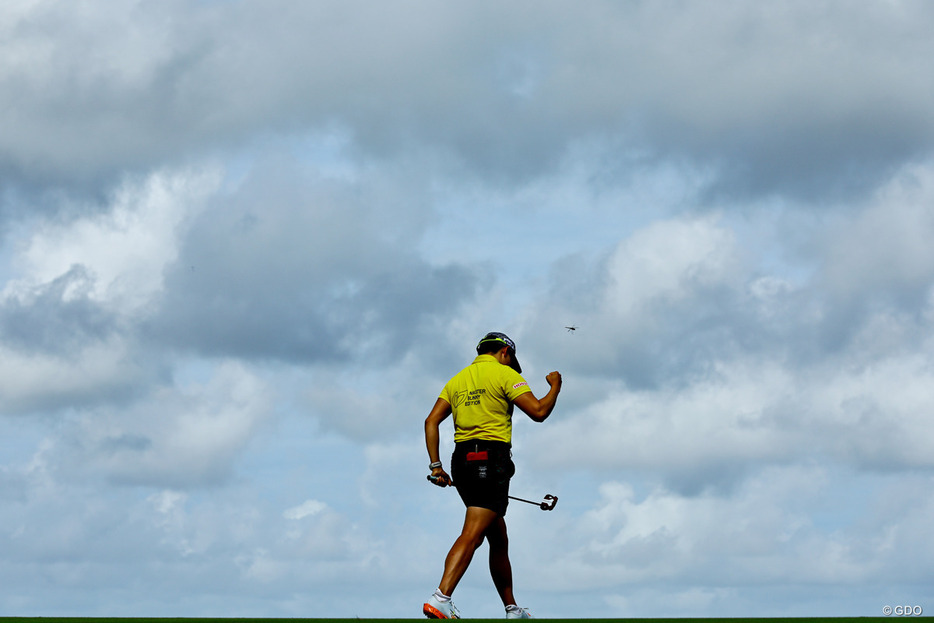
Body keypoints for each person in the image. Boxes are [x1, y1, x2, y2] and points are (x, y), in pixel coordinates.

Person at [423, 332, 562, 620]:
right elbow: (538, 411)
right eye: (510, 359)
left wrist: (436, 466)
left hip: (462, 461)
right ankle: (441, 597)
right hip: (490, 459)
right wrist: (555, 386)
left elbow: (431, 420)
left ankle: (512, 609)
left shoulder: (457, 380)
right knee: (472, 534)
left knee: (498, 537)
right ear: (504, 353)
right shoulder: (504, 374)